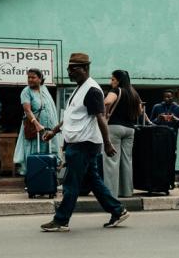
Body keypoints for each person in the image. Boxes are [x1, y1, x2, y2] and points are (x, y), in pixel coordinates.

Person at [39, 53, 128, 232]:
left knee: (71, 183)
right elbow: (71, 117)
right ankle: (118, 210)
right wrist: (53, 132)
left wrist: (108, 143)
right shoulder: (80, 89)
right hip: (79, 143)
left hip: (84, 144)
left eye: (74, 69)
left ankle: (61, 220)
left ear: (86, 68)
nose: (70, 73)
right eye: (69, 69)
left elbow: (101, 117)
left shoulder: (92, 90)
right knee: (93, 180)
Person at [102, 69, 143, 198]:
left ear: (118, 80)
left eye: (113, 79)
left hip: (114, 127)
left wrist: (106, 111)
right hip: (130, 129)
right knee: (127, 160)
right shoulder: (134, 93)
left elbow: (107, 101)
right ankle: (126, 191)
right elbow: (140, 111)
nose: (111, 82)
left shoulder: (116, 90)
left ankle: (111, 193)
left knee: (111, 161)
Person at [13, 68, 60, 176]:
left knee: (49, 152)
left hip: (48, 129)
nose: (30, 79)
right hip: (34, 130)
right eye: (28, 77)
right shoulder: (26, 91)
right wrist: (36, 124)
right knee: (34, 153)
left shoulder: (44, 89)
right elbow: (27, 110)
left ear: (40, 79)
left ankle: (48, 179)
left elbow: (50, 108)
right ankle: (33, 179)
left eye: (33, 77)